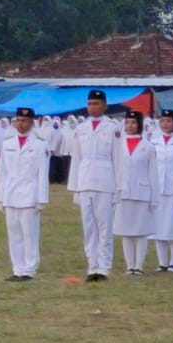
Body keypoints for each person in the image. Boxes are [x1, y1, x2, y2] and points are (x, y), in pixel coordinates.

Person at [66, 89, 127, 281]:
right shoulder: (81, 129)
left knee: (104, 227)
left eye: (96, 104)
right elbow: (76, 159)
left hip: (105, 182)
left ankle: (104, 268)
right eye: (90, 104)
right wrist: (74, 187)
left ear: (105, 106)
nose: (93, 107)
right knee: (89, 228)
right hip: (85, 182)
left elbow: (118, 159)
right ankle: (92, 267)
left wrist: (119, 188)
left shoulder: (113, 128)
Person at [0, 106, 49, 281]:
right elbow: (2, 172)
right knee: (14, 234)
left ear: (32, 123)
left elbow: (42, 174)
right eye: (19, 120)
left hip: (29, 193)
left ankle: (29, 269)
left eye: (25, 121)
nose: (21, 124)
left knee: (29, 234)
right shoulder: (7, 143)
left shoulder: (40, 145)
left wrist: (41, 199)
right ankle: (17, 268)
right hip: (10, 193)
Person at [113, 110, 158, 276]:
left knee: (141, 231)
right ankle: (129, 265)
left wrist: (155, 198)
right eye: (127, 122)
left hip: (142, 192)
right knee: (126, 231)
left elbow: (153, 173)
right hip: (123, 191)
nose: (130, 126)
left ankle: (139, 265)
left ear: (140, 125)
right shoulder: (119, 145)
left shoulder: (148, 146)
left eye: (133, 123)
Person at [151, 111, 173, 272]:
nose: (165, 124)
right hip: (158, 187)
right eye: (163, 121)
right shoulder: (153, 141)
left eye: (169, 121)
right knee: (158, 226)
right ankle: (162, 262)